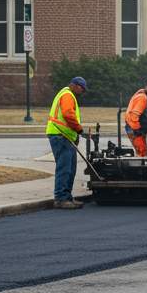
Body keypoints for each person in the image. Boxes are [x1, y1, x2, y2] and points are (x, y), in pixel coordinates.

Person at [45, 77, 88, 209]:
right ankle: (60, 198)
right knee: (64, 168)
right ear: (74, 85)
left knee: (70, 168)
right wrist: (79, 130)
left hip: (66, 136)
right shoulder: (67, 95)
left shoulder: (67, 95)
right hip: (60, 136)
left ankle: (67, 197)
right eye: (81, 88)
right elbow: (68, 114)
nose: (82, 91)